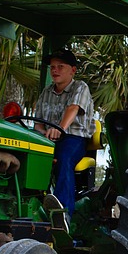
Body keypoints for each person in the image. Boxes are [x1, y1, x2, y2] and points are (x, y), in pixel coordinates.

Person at [33, 48, 95, 223]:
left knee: (63, 158)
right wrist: (42, 133)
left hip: (73, 138)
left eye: (60, 66)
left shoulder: (80, 87)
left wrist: (60, 129)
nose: (55, 70)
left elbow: (73, 108)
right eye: (52, 67)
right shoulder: (46, 92)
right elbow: (37, 122)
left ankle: (63, 212)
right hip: (47, 138)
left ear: (73, 70)